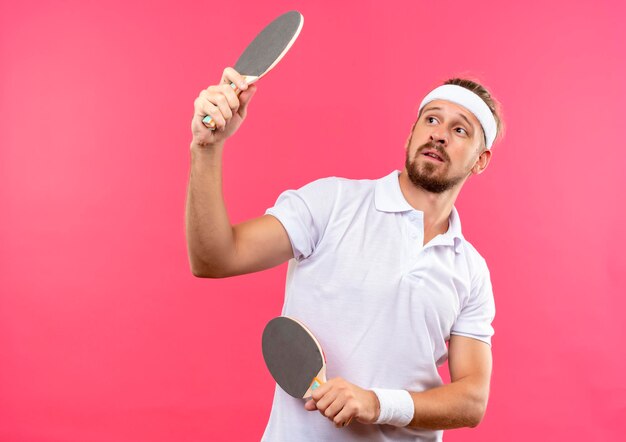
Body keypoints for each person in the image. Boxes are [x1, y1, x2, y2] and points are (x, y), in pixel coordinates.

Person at [186, 67, 504, 442]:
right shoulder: (332, 203)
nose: (438, 134)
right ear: (411, 135)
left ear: (480, 161)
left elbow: (471, 400)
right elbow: (215, 258)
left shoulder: (470, 270)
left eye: (459, 129)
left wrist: (377, 403)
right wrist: (207, 147)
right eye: (431, 119)